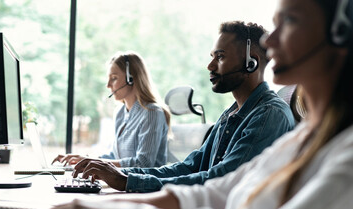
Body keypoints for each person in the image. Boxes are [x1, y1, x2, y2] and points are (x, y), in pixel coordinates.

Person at [32, 0, 353, 209]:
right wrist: (100, 205)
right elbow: (215, 194)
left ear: (341, 33)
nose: (271, 43)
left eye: (291, 21)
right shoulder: (305, 140)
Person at [70, 21, 295, 193]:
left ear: (251, 61)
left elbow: (222, 179)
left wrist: (126, 181)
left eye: (220, 57)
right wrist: (117, 173)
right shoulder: (231, 113)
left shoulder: (268, 114)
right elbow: (189, 167)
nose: (210, 65)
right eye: (212, 56)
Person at [53, 52, 171, 168]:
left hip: (145, 186)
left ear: (131, 78)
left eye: (114, 78)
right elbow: (115, 156)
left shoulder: (151, 113)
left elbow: (143, 163)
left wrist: (90, 161)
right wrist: (83, 159)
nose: (108, 85)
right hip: (122, 184)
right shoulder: (120, 112)